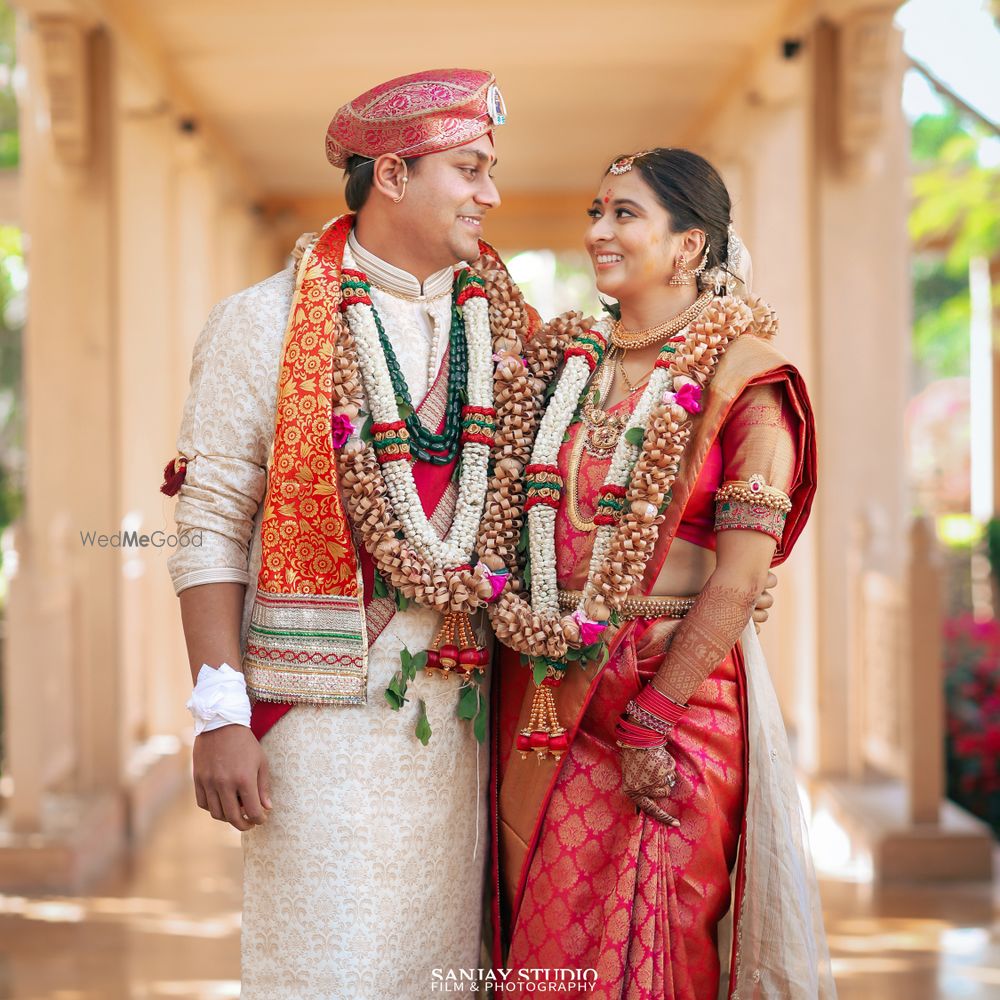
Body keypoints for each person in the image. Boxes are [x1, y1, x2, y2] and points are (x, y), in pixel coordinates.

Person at [161, 68, 538, 999]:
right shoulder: (261, 324)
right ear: (394, 176)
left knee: (441, 972)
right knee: (330, 967)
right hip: (316, 720)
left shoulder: (507, 334)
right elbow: (208, 522)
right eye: (470, 168)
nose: (490, 194)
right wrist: (219, 714)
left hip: (457, 716)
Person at [489, 148, 835, 998]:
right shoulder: (568, 367)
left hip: (674, 698)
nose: (597, 231)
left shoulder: (748, 383)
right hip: (553, 685)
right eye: (595, 211)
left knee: (660, 948)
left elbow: (741, 575)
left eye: (625, 214)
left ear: (689, 246)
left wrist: (652, 717)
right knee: (546, 939)